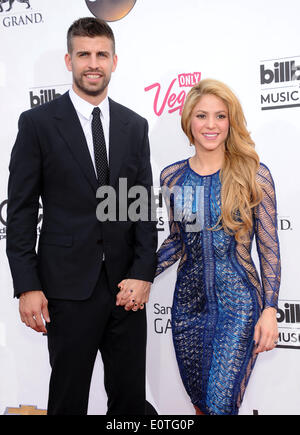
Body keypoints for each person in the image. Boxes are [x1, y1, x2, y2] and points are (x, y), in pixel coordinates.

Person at [6, 17, 157, 415]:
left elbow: (140, 205)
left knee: (128, 402)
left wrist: (143, 274)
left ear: (114, 61)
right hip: (66, 290)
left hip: (126, 290)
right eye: (84, 54)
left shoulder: (133, 125)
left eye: (101, 55)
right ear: (69, 60)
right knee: (68, 400)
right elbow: (20, 213)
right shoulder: (37, 124)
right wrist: (27, 285)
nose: (93, 63)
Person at [153, 79, 281, 415]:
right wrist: (139, 274)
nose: (211, 125)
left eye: (220, 116)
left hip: (239, 306)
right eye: (202, 116)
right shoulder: (173, 177)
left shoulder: (254, 175)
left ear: (230, 121)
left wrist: (270, 308)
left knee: (220, 405)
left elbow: (269, 248)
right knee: (200, 406)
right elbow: (178, 240)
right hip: (187, 307)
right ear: (189, 122)